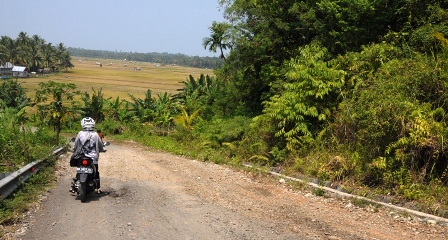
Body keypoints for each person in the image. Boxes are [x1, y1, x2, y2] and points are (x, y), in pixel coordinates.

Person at [71, 117, 105, 194]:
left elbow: (76, 144)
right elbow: (100, 145)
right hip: (93, 158)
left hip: (81, 156)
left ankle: (74, 186)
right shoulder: (95, 135)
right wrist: (102, 150)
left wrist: (74, 150)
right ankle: (98, 189)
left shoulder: (80, 133)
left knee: (79, 169)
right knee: (96, 172)